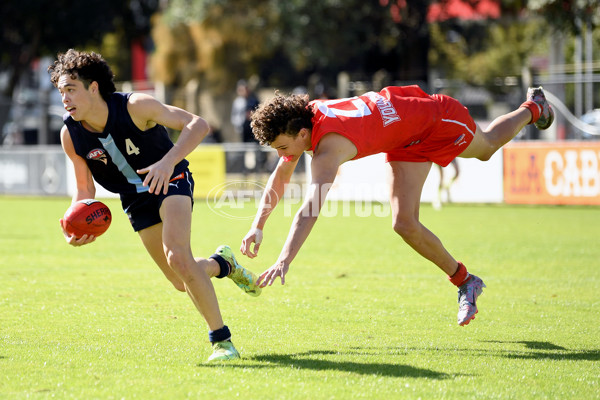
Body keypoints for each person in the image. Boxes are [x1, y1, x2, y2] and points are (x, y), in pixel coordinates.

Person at [240, 85, 554, 326]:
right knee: (404, 223)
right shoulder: (303, 116)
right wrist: (258, 224)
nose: (283, 154)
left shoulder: (328, 149)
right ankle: (466, 282)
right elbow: (280, 176)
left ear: (303, 134)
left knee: (485, 147)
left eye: (283, 146)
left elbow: (310, 209)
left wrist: (284, 259)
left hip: (434, 120)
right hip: (404, 138)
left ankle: (533, 109)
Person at [48, 49, 262, 362]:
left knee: (178, 256)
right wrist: (73, 221)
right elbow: (84, 188)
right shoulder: (71, 134)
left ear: (93, 87)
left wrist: (167, 162)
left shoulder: (135, 105)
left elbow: (197, 124)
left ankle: (223, 342)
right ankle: (222, 263)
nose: (64, 99)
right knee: (180, 280)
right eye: (60, 92)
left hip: (170, 178)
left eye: (71, 89)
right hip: (134, 198)